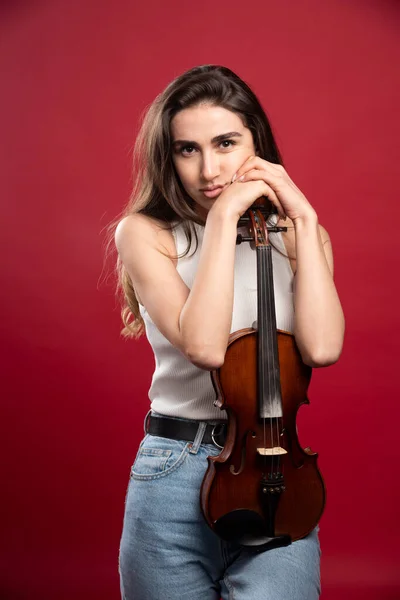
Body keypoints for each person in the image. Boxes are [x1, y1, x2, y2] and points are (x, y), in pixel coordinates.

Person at [112, 64, 345, 600]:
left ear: (255, 143)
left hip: (277, 475)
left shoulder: (298, 237)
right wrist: (221, 222)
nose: (209, 168)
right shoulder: (146, 234)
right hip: (173, 469)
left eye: (225, 142)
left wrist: (305, 223)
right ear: (168, 157)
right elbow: (206, 346)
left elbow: (324, 347)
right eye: (186, 149)